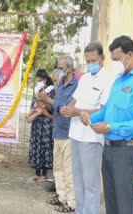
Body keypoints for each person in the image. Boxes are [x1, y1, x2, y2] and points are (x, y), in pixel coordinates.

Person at [80, 36, 133, 214]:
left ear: (130, 54)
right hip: (109, 149)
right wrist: (90, 118)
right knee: (111, 204)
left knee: (125, 206)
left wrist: (110, 127)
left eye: (116, 59)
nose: (114, 64)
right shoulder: (118, 82)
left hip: (127, 151)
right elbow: (107, 111)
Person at [60, 41, 114, 214]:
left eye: (93, 60)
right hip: (75, 134)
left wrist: (76, 112)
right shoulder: (84, 78)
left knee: (90, 184)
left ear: (102, 58)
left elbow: (103, 110)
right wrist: (68, 108)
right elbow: (75, 100)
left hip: (91, 137)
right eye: (88, 61)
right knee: (78, 181)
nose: (90, 64)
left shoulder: (108, 79)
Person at [38, 55, 78, 212]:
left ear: (69, 68)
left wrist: (48, 100)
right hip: (58, 131)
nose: (58, 71)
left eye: (61, 68)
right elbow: (56, 109)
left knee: (69, 171)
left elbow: (65, 108)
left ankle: (71, 202)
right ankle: (61, 197)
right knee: (58, 168)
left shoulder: (76, 86)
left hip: (69, 133)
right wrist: (45, 104)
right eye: (58, 67)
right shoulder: (59, 85)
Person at [26, 69, 55, 183]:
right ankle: (37, 173)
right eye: (37, 81)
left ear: (45, 80)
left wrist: (45, 104)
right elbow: (32, 108)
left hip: (47, 124)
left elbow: (53, 109)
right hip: (37, 124)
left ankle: (44, 174)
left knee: (45, 147)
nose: (38, 83)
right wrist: (35, 108)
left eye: (40, 80)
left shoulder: (51, 92)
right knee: (36, 146)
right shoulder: (36, 91)